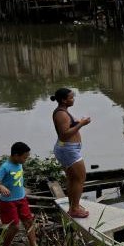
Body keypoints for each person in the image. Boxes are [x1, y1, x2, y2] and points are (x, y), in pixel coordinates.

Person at [0, 142, 38, 246]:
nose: (26, 160)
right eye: (25, 157)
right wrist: (1, 187)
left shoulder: (19, 163)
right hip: (8, 201)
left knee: (29, 222)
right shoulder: (5, 167)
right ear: (16, 156)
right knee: (14, 227)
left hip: (21, 198)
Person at [51, 87, 91, 218]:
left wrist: (77, 122)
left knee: (72, 178)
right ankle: (74, 209)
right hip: (68, 150)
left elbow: (68, 127)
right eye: (71, 97)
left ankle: (73, 205)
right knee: (80, 178)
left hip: (68, 149)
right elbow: (64, 135)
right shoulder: (61, 114)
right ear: (63, 100)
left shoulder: (63, 111)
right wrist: (82, 124)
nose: (73, 99)